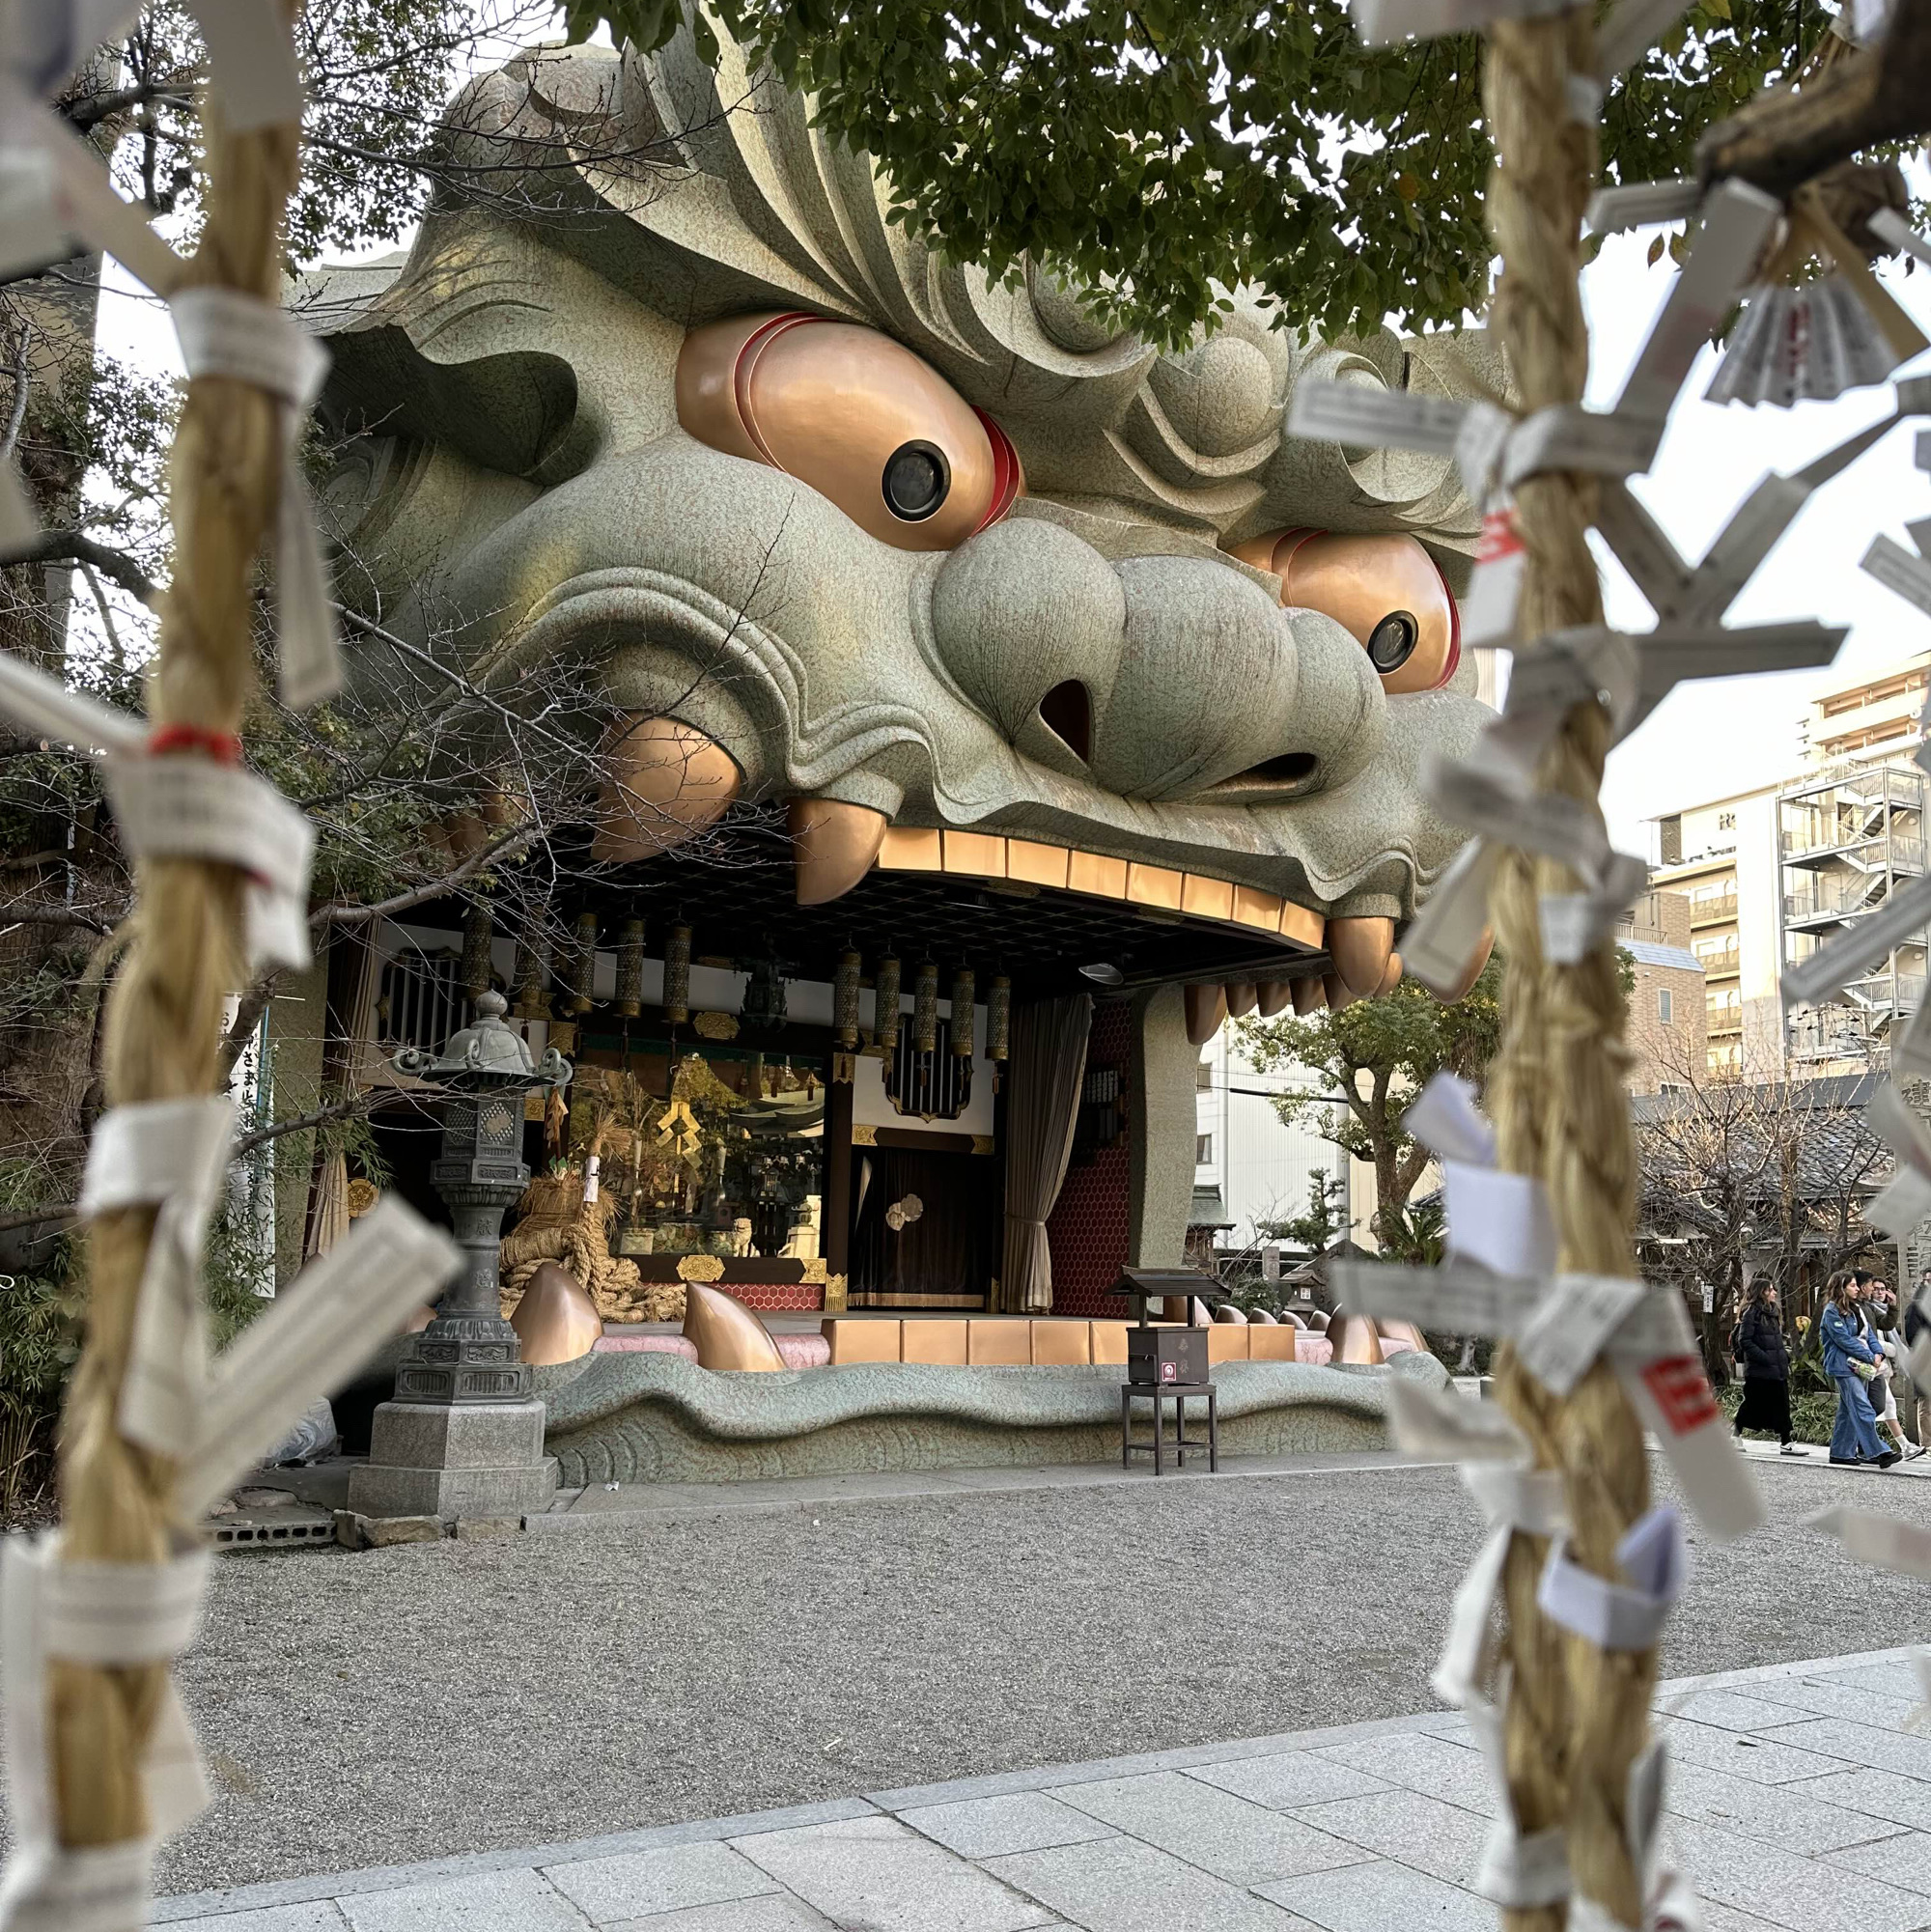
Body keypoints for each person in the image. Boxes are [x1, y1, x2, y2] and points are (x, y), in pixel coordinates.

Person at [1822, 1271, 1897, 1468]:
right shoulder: (1831, 1311)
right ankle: (1878, 1450)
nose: (1857, 1289)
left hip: (1862, 1366)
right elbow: (1843, 1340)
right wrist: (1870, 1356)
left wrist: (1878, 1353)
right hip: (1844, 1366)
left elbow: (1869, 1334)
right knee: (1862, 1406)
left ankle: (1841, 1452)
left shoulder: (1858, 1309)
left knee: (1848, 1411)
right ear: (1841, 1288)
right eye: (1853, 1285)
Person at [1731, 1280, 1805, 1455]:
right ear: (1761, 1292)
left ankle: (1786, 1441)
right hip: (1759, 1369)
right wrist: (1764, 1357)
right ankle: (1735, 1434)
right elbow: (1744, 1340)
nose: (1774, 1293)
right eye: (1770, 1290)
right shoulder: (1751, 1312)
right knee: (1753, 1403)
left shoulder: (1773, 1312)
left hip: (1777, 1367)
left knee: (1782, 1403)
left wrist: (1783, 1357)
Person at [1861, 1277, 1922, 1462]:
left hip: (1883, 1366)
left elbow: (1887, 1326)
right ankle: (1903, 1445)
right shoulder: (1865, 1309)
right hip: (1870, 1364)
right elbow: (1869, 1339)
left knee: (1881, 1405)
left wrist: (1893, 1306)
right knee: (1884, 1404)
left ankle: (1868, 1445)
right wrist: (1889, 1350)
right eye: (1876, 1288)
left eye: (1883, 1289)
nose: (1879, 1292)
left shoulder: (1879, 1311)